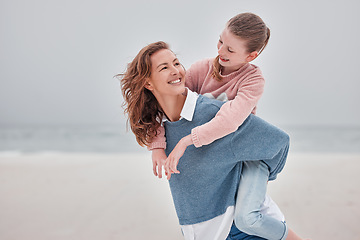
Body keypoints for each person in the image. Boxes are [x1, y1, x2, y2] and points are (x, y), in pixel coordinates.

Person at [119, 41, 308, 240]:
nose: (175, 70)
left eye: (176, 63)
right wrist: (156, 148)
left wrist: (261, 179)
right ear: (148, 84)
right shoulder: (159, 128)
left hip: (242, 230)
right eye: (164, 67)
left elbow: (277, 142)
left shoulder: (213, 115)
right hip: (199, 232)